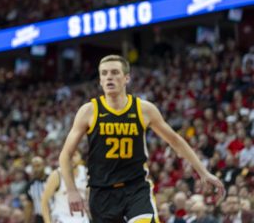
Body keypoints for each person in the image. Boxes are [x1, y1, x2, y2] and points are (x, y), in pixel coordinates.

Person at [59, 54, 225, 223]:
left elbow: (175, 141)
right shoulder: (89, 111)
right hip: (102, 193)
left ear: (126, 78)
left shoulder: (144, 109)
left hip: (136, 189)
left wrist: (203, 172)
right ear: (100, 80)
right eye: (104, 73)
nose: (109, 77)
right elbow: (65, 155)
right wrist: (71, 190)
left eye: (115, 72)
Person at [41, 151, 89, 223]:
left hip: (83, 219)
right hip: (61, 218)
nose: (71, 158)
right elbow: (44, 201)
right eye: (69, 154)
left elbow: (89, 199)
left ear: (80, 156)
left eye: (75, 155)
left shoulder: (85, 172)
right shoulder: (57, 174)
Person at [24, 156, 48, 223]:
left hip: (54, 216)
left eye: (38, 166)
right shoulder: (30, 185)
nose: (36, 169)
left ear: (44, 165)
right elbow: (29, 205)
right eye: (33, 166)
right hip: (39, 217)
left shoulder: (52, 180)